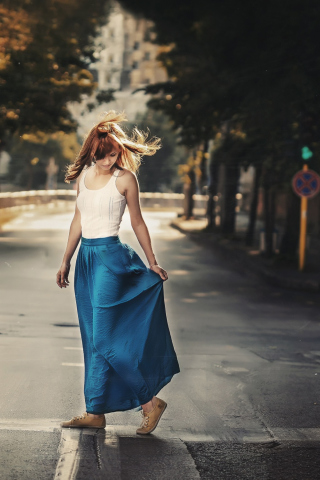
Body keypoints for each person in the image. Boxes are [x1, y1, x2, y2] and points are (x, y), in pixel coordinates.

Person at [56, 111, 180, 435]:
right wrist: (66, 260)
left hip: (111, 258)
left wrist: (152, 261)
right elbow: (77, 221)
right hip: (85, 260)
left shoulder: (125, 179)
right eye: (102, 154)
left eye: (113, 153)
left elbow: (137, 221)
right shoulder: (83, 176)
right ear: (92, 152)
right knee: (91, 338)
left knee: (105, 338)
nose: (108, 159)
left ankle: (150, 403)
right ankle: (95, 411)